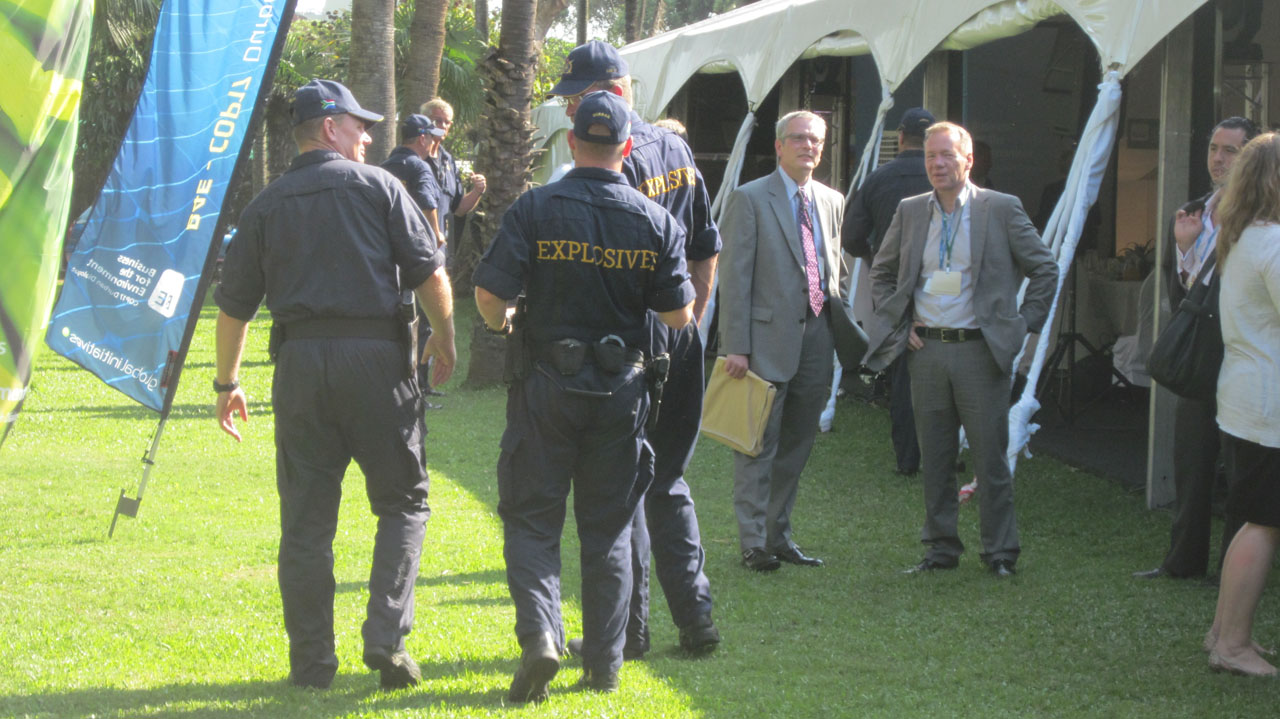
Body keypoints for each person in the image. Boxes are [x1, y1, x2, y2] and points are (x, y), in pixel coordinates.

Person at [213, 79, 456, 690]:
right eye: (359, 125)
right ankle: (386, 639)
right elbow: (429, 272)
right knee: (403, 501)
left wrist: (227, 383)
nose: (369, 136)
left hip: (299, 367)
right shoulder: (380, 187)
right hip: (377, 361)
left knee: (305, 524)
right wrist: (445, 337)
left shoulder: (264, 205)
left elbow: (234, 309)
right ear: (329, 128)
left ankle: (312, 665)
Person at [473, 91, 694, 701]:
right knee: (610, 530)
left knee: (532, 520)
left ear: (571, 143)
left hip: (546, 387)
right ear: (627, 148)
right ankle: (605, 664)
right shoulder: (656, 219)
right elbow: (679, 316)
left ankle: (542, 635)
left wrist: (507, 324)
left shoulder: (535, 208)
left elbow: (490, 297)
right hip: (621, 395)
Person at [547, 39, 722, 657]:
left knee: (626, 484)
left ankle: (628, 633)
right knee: (667, 478)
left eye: (579, 100)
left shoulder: (613, 157)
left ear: (616, 93)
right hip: (680, 332)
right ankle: (696, 619)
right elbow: (705, 244)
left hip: (631, 345)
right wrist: (692, 317)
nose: (571, 113)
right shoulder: (676, 147)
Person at [865, 121, 1057, 578]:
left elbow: (1045, 269)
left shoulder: (1000, 208)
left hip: (980, 351)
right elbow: (882, 272)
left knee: (990, 457)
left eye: (947, 155)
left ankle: (1000, 553)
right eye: (931, 155)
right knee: (935, 457)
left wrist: (1021, 325)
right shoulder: (911, 211)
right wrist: (899, 322)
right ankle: (940, 548)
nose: (937, 164)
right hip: (926, 350)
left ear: (968, 160)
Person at [718, 110, 846, 572]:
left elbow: (834, 270)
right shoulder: (750, 198)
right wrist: (736, 344)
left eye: (815, 140)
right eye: (798, 139)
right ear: (778, 146)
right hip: (762, 343)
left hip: (817, 340)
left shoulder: (832, 200)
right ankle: (753, 543)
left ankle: (779, 535)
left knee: (797, 445)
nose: (808, 146)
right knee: (756, 445)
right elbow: (734, 279)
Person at [1134, 116, 1257, 581]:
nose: (1219, 159)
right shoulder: (1191, 213)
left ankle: (1234, 569)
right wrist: (1186, 250)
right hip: (1199, 357)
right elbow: (1182, 298)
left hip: (1244, 357)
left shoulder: (1261, 216)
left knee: (1242, 469)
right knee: (1191, 462)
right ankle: (1182, 562)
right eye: (1213, 148)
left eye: (1230, 150)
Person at [1202, 131, 1280, 677]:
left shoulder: (1241, 235)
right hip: (1267, 405)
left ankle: (1222, 633)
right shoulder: (1272, 243)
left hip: (1245, 398)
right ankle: (1232, 644)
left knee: (1252, 520)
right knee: (1262, 523)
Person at [842, 107, 935, 477]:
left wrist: (876, 256)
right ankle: (943, 453)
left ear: (900, 137)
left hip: (893, 281)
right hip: (941, 282)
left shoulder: (879, 178)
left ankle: (907, 458)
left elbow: (850, 237)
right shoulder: (946, 175)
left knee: (903, 372)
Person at [381, 113, 449, 408]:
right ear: (422, 138)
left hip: (385, 260)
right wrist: (436, 237)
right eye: (431, 136)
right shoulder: (419, 167)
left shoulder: (383, 167)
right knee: (421, 325)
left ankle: (392, 383)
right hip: (415, 260)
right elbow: (427, 204)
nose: (434, 140)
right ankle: (418, 388)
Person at [419, 97, 486, 252]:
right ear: (424, 122)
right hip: (414, 247)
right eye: (437, 121)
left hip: (439, 249)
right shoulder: (415, 158)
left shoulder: (448, 160)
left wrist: (477, 191)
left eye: (446, 122)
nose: (442, 126)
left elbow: (459, 209)